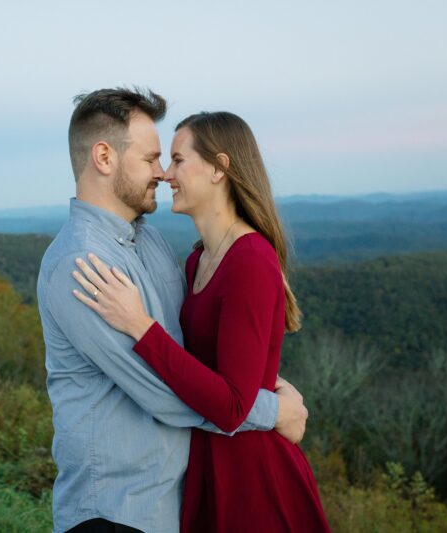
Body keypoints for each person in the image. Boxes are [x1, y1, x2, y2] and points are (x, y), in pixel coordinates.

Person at [37, 88, 309, 533]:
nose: (162, 174)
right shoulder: (82, 264)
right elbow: (163, 393)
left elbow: (200, 358)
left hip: (179, 501)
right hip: (115, 512)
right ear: (104, 158)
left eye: (171, 160)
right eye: (151, 160)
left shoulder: (154, 243)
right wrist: (271, 410)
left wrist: (267, 382)